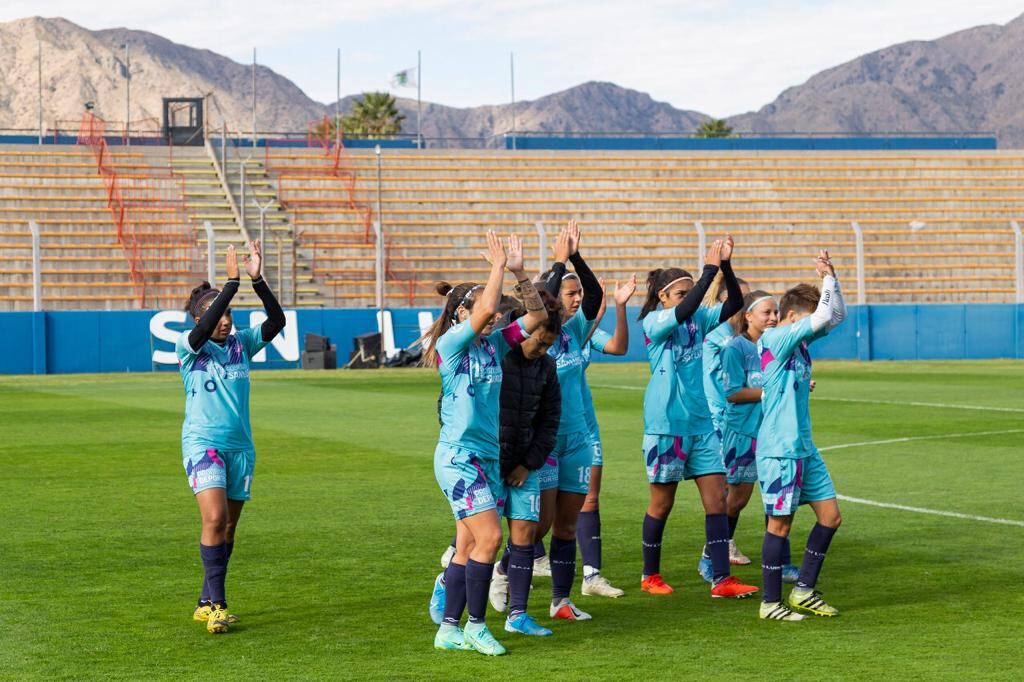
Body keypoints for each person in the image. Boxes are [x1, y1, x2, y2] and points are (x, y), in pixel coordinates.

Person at [421, 231, 548, 655]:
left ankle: (449, 629)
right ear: (461, 312)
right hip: (459, 458)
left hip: (485, 458)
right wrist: (495, 267)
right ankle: (477, 625)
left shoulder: (493, 345)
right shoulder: (452, 343)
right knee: (491, 539)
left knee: (468, 545)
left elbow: (537, 315)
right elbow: (490, 307)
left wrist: (518, 271)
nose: (491, 318)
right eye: (478, 312)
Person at [637, 237, 758, 599]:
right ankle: (650, 574)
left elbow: (735, 303)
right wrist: (708, 272)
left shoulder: (698, 321)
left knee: (717, 499)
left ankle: (721, 579)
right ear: (662, 296)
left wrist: (725, 269)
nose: (687, 299)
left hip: (702, 425)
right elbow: (685, 309)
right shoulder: (655, 322)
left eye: (688, 293)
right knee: (662, 502)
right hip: (666, 425)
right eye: (679, 293)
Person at [176, 241, 285, 634]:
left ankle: (205, 600)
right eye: (216, 315)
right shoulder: (188, 348)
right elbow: (205, 327)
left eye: (228, 315)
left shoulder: (241, 344)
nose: (224, 321)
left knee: (229, 529)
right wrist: (230, 283)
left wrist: (256, 280)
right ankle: (219, 605)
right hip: (204, 444)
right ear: (199, 319)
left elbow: (276, 322)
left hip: (241, 447)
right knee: (215, 517)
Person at [756, 250, 847, 621]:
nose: (814, 326)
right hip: (780, 449)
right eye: (806, 320)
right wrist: (825, 278)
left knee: (831, 516)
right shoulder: (776, 337)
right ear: (793, 317)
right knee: (780, 524)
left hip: (803, 447)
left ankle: (804, 590)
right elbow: (824, 315)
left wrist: (833, 278)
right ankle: (770, 603)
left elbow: (834, 315)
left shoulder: (799, 342)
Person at [532, 219, 604, 621]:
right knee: (538, 525)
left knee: (566, 525)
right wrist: (557, 264)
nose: (576, 300)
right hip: (544, 441)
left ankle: (561, 601)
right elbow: (539, 304)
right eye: (568, 293)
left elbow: (594, 296)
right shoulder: (532, 333)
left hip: (575, 439)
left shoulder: (574, 330)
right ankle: (504, 571)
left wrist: (575, 256)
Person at [486, 291, 564, 637]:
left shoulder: (547, 368)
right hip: (487, 462)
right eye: (540, 342)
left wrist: (528, 463)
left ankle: (517, 614)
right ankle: (448, 588)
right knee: (478, 540)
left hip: (523, 465)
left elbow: (550, 421)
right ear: (525, 331)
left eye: (549, 345)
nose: (543, 350)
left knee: (526, 536)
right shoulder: (497, 357)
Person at [719, 290, 795, 584]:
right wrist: (769, 391)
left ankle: (779, 563)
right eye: (767, 312)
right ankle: (712, 553)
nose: (774, 317)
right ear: (748, 316)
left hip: (773, 433)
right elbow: (733, 392)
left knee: (776, 498)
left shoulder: (776, 344)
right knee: (737, 499)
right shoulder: (735, 349)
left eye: (776, 312)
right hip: (744, 433)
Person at [576, 275, 636, 598]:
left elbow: (618, 346)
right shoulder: (545, 332)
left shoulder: (584, 330)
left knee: (590, 498)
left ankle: (591, 576)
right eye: (571, 293)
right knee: (543, 510)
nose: (576, 299)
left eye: (579, 294)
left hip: (585, 426)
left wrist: (619, 308)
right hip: (551, 430)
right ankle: (509, 566)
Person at [700, 275, 750, 570]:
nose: (743, 304)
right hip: (717, 418)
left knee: (740, 492)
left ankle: (722, 542)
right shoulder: (716, 334)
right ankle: (714, 552)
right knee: (723, 492)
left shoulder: (744, 336)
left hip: (740, 419)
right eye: (737, 297)